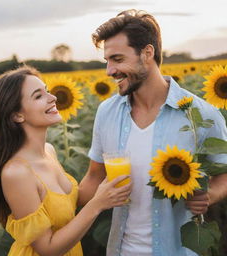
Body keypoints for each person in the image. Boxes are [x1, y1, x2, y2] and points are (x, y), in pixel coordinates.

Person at [78, 9, 227, 256]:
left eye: (117, 59)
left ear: (147, 53)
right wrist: (52, 196)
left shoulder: (200, 114)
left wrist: (209, 195)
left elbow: (224, 173)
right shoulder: (107, 112)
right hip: (122, 250)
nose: (109, 71)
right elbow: (94, 177)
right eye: (107, 61)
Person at [0, 66, 132, 256]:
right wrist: (98, 204)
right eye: (38, 96)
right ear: (17, 115)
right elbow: (47, 249)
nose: (53, 97)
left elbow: (68, 202)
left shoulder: (48, 151)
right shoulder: (17, 172)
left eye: (47, 90)